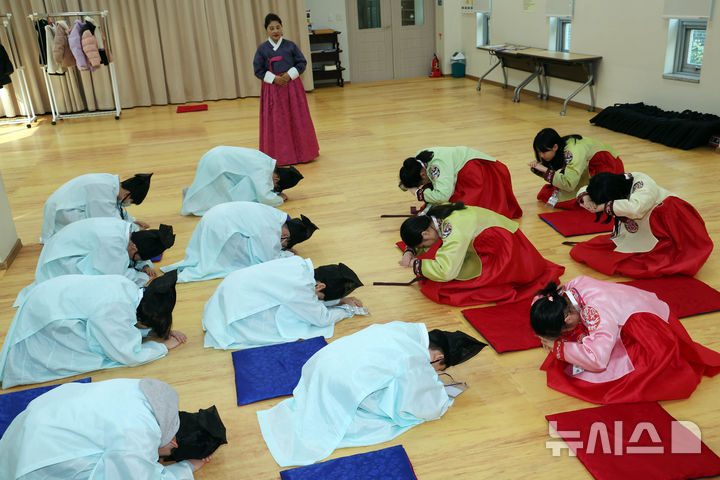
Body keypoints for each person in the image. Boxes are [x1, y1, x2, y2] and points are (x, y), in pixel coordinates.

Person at [257, 321, 485, 466]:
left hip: (318, 365)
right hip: (336, 383)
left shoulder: (403, 329)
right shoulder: (415, 361)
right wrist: (443, 398)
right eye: (439, 369)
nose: (434, 371)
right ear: (438, 358)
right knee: (388, 417)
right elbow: (423, 407)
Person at [530, 276, 720, 404]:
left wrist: (558, 347)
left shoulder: (595, 312)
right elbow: (540, 302)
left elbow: (598, 360)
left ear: (568, 319)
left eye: (560, 332)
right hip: (633, 306)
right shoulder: (565, 292)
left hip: (649, 327)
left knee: (599, 378)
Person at [0, 378, 225, 478]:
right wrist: (188, 467)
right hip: (35, 458)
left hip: (39, 416)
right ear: (174, 442)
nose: (160, 456)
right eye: (168, 455)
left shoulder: (155, 401)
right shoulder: (137, 438)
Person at [0, 272, 184, 389]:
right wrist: (163, 347)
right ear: (144, 317)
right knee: (90, 355)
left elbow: (125, 326)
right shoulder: (116, 309)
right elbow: (127, 354)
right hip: (47, 314)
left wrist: (154, 333)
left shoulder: (128, 287)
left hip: (50, 294)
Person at [399, 202, 565, 306]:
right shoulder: (434, 214)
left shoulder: (453, 229)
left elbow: (446, 271)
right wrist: (410, 250)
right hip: (494, 240)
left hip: (505, 250)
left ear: (425, 234)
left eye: (422, 245)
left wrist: (416, 264)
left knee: (449, 287)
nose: (426, 247)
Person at [570, 172, 713, 278]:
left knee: (653, 262)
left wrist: (602, 206)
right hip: (647, 224)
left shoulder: (643, 184)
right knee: (589, 250)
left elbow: (635, 209)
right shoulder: (618, 182)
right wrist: (586, 197)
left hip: (672, 222)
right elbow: (589, 187)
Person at [203, 256, 364, 350]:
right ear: (320, 285)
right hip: (234, 312)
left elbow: (306, 301)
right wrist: (346, 310)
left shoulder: (297, 263)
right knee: (286, 326)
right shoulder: (302, 287)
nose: (318, 300)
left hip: (227, 292)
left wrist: (339, 300)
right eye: (322, 297)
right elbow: (321, 319)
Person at [13, 218, 175, 307]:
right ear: (133, 247)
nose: (138, 261)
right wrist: (142, 276)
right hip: (61, 261)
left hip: (62, 246)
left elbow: (132, 258)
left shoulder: (126, 229)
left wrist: (143, 265)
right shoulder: (113, 247)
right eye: (139, 258)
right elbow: (117, 277)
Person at [161, 201, 317, 283]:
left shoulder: (277, 216)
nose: (282, 244)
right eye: (284, 242)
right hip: (220, 225)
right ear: (285, 233)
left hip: (215, 216)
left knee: (202, 257)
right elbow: (265, 260)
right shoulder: (270, 229)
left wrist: (279, 249)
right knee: (218, 264)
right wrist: (284, 256)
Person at [253, 13, 319, 165]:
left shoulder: (291, 46)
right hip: (273, 91)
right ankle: (280, 155)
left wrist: (289, 75)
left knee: (296, 117)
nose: (275, 31)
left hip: (292, 88)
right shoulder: (262, 49)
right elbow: (258, 70)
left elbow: (302, 63)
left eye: (278, 27)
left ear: (282, 29)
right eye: (271, 28)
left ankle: (303, 153)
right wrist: (275, 79)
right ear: (266, 31)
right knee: (277, 121)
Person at [398, 146, 522, 218]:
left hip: (481, 173)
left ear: (422, 174)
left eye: (421, 182)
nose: (423, 184)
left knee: (462, 212)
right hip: (467, 170)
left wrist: (418, 193)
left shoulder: (436, 166)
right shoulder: (419, 158)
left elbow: (442, 195)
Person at [181, 146, 304, 216]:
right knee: (226, 200)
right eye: (276, 186)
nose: (272, 187)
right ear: (276, 179)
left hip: (214, 155)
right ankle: (191, 202)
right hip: (218, 163)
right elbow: (264, 197)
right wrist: (279, 198)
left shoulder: (267, 161)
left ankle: (192, 194)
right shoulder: (264, 172)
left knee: (214, 189)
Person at [40, 172, 153, 243]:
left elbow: (114, 209)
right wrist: (134, 228)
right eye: (131, 202)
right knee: (99, 234)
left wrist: (131, 221)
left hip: (64, 204)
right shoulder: (103, 192)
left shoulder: (111, 184)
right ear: (126, 194)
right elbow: (109, 223)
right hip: (63, 211)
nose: (128, 204)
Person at [528, 128, 624, 209]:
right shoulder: (563, 146)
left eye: (543, 152)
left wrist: (545, 170)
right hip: (592, 165)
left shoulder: (572, 152)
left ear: (555, 147)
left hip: (606, 165)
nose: (541, 155)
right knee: (553, 194)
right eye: (539, 152)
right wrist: (540, 169)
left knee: (571, 200)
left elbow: (569, 185)